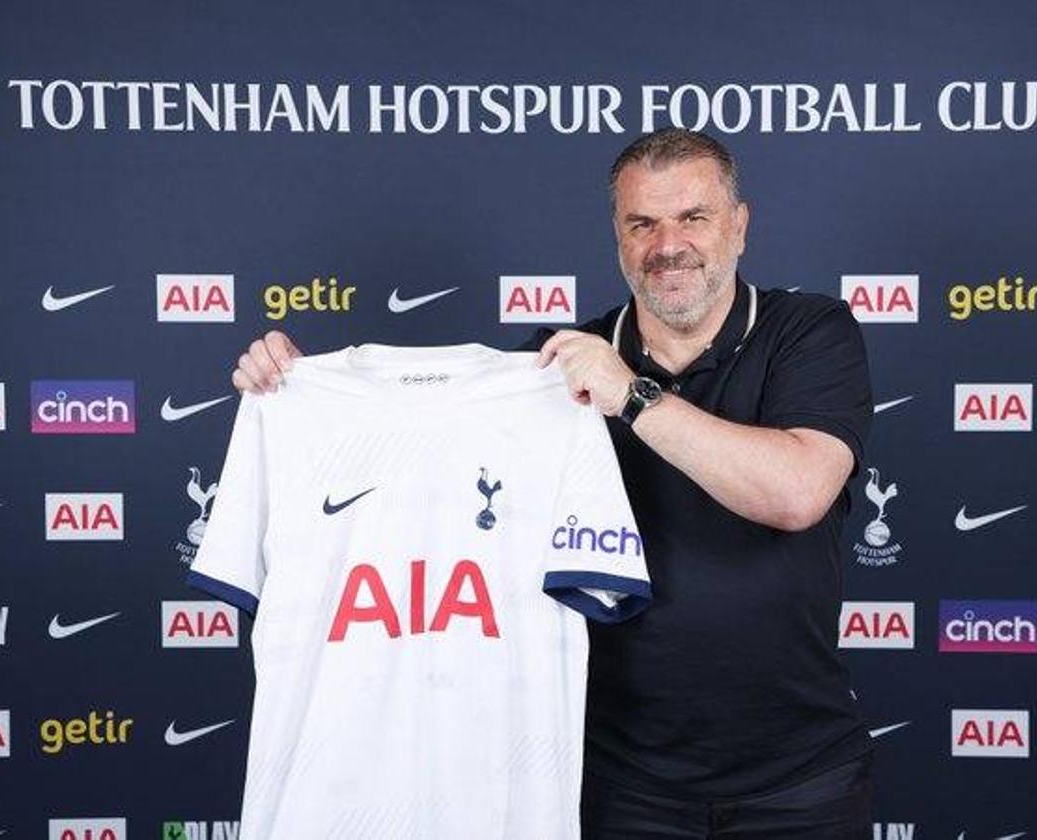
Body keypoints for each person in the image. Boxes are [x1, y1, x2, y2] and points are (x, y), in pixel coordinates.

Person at [232, 128, 874, 839]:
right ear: (618, 237)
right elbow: (418, 473)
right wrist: (298, 389)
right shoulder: (547, 371)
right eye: (642, 223)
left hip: (800, 779)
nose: (669, 244)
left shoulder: (809, 330)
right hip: (616, 782)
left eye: (693, 217)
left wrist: (630, 394)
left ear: (740, 225)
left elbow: (797, 492)